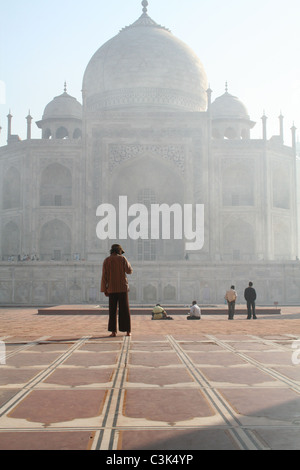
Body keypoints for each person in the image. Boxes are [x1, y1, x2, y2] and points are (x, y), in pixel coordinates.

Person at [101, 244, 132, 337]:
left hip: (111, 289)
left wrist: (104, 289)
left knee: (112, 311)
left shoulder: (107, 260)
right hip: (122, 288)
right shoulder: (122, 259)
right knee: (125, 310)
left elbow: (104, 276)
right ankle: (127, 331)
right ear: (119, 251)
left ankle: (113, 331)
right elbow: (129, 271)